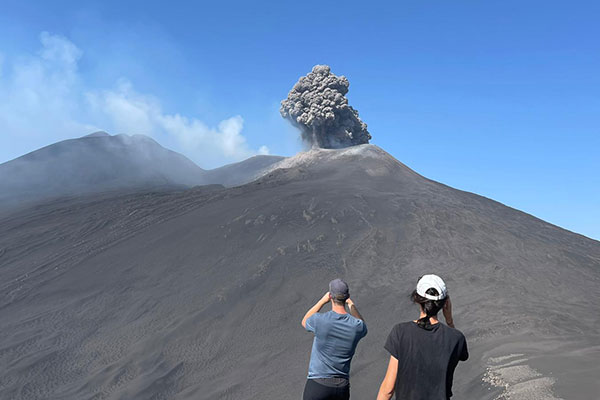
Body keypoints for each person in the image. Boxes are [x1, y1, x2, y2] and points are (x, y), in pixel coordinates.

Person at [377, 274, 468, 400]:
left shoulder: (401, 332)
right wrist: (449, 321)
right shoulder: (456, 338)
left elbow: (388, 390)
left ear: (417, 299)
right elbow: (458, 352)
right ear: (445, 303)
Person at [301, 278, 368, 400]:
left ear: (330, 296)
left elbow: (305, 321)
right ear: (347, 296)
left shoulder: (320, 320)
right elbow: (362, 324)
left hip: (318, 384)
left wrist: (322, 301)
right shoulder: (356, 326)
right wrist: (351, 304)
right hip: (341, 387)